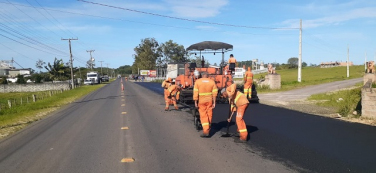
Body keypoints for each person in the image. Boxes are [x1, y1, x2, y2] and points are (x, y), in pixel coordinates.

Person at [193, 73, 218, 138]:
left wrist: (195, 101)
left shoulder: (198, 82)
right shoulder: (212, 82)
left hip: (201, 101)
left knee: (203, 115)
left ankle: (206, 131)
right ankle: (208, 128)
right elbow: (215, 93)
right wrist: (214, 102)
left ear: (201, 76)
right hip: (209, 101)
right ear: (208, 76)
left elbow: (195, 92)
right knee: (209, 114)